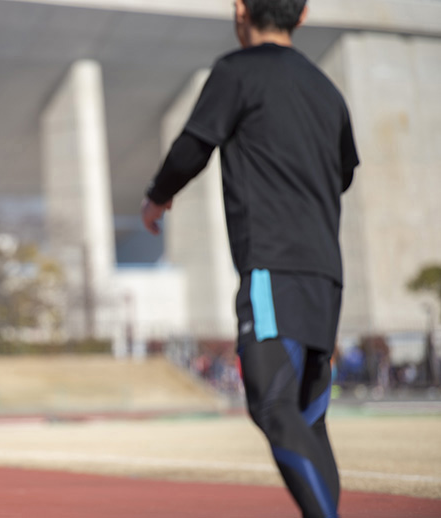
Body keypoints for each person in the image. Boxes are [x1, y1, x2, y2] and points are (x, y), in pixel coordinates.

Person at [141, 1, 358, 517]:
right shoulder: (327, 89)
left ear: (240, 9)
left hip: (271, 267)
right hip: (326, 274)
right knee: (306, 416)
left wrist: (158, 196)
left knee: (273, 405)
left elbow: (193, 146)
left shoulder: (236, 71)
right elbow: (345, 171)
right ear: (301, 16)